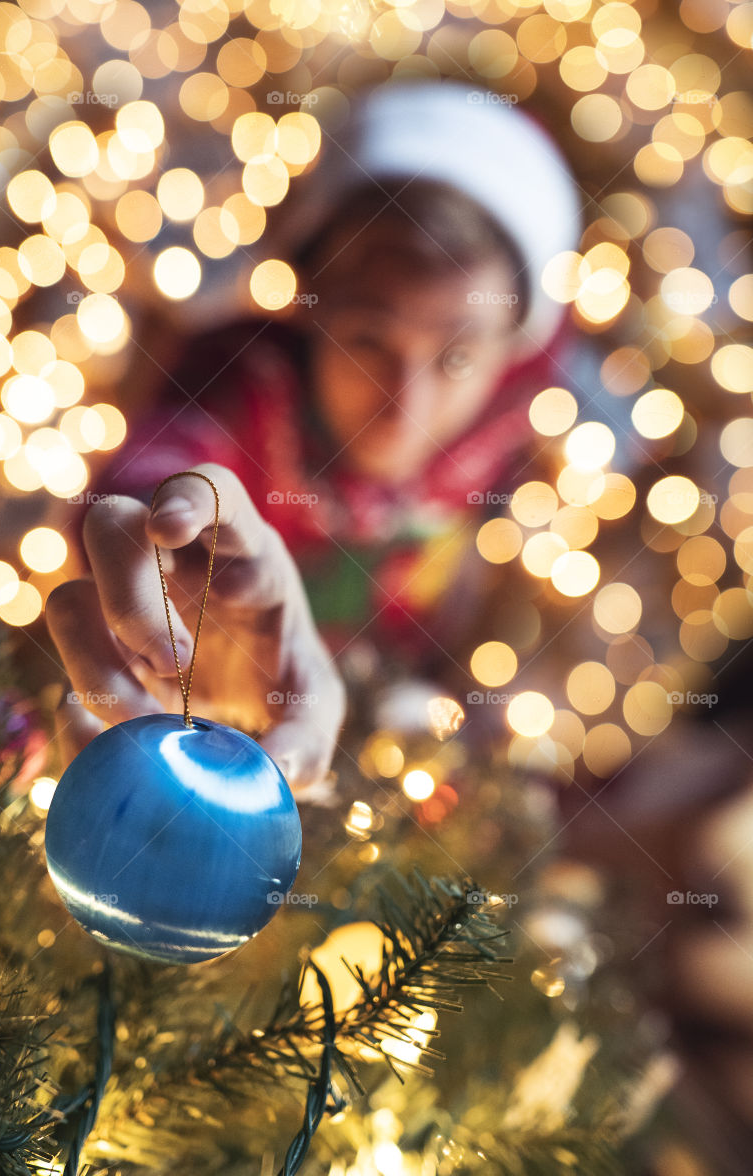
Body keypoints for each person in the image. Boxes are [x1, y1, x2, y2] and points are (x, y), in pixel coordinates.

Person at [45, 80, 581, 791]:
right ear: (310, 305)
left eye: (455, 357)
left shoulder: (519, 454)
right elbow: (167, 457)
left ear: (512, 350)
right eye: (367, 339)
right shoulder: (243, 388)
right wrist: (157, 538)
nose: (406, 403)